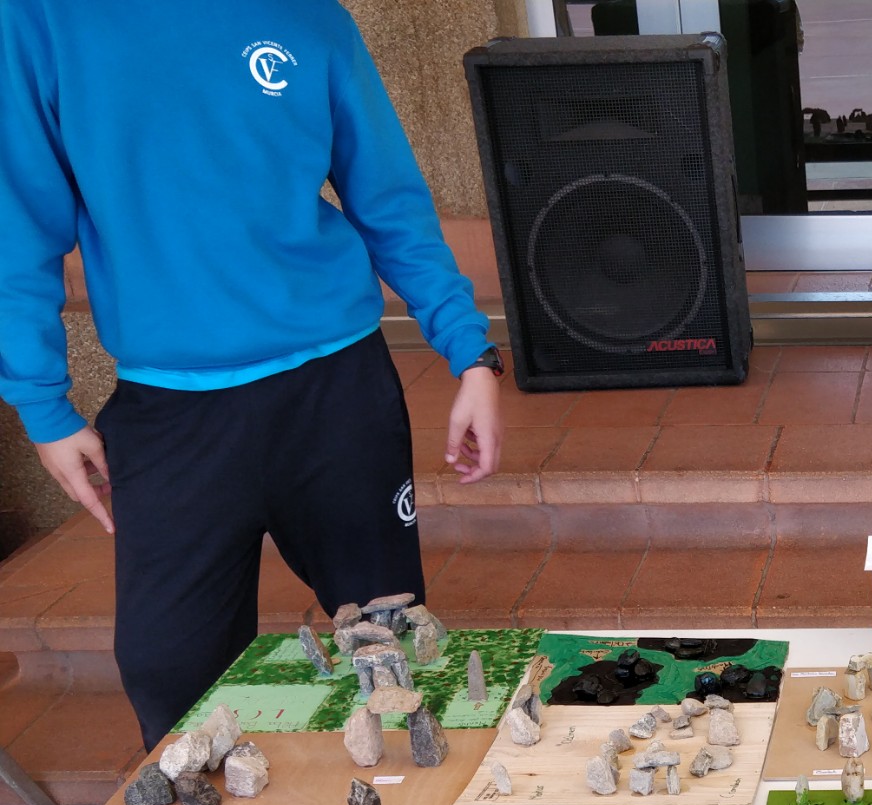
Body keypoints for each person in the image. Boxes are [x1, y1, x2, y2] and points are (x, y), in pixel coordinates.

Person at [0, 0, 504, 748]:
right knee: (170, 675)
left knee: (389, 646)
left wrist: (471, 353)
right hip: (171, 411)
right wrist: (42, 407)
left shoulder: (312, 17)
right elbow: (16, 223)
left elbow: (389, 199)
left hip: (337, 395)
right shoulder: (42, 17)